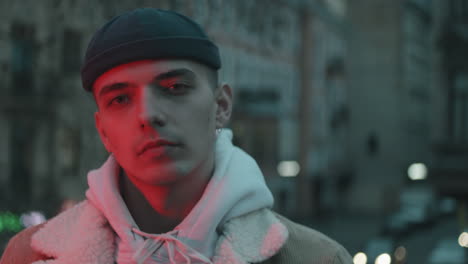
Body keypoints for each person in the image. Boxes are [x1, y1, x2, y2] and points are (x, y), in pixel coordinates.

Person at [0, 8, 352, 264]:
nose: (148, 114)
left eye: (174, 87)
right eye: (120, 98)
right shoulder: (29, 255)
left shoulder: (317, 258)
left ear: (221, 106)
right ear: (102, 130)